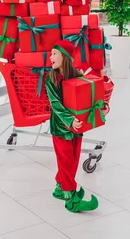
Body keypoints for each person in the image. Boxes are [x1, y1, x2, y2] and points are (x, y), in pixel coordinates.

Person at [46, 40, 109, 213]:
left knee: (73, 160)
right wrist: (69, 120)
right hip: (61, 127)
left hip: (78, 126)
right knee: (65, 161)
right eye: (51, 53)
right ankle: (71, 199)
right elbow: (55, 104)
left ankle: (60, 187)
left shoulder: (77, 74)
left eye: (54, 53)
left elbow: (86, 96)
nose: (50, 57)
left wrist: (100, 106)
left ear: (65, 57)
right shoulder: (50, 79)